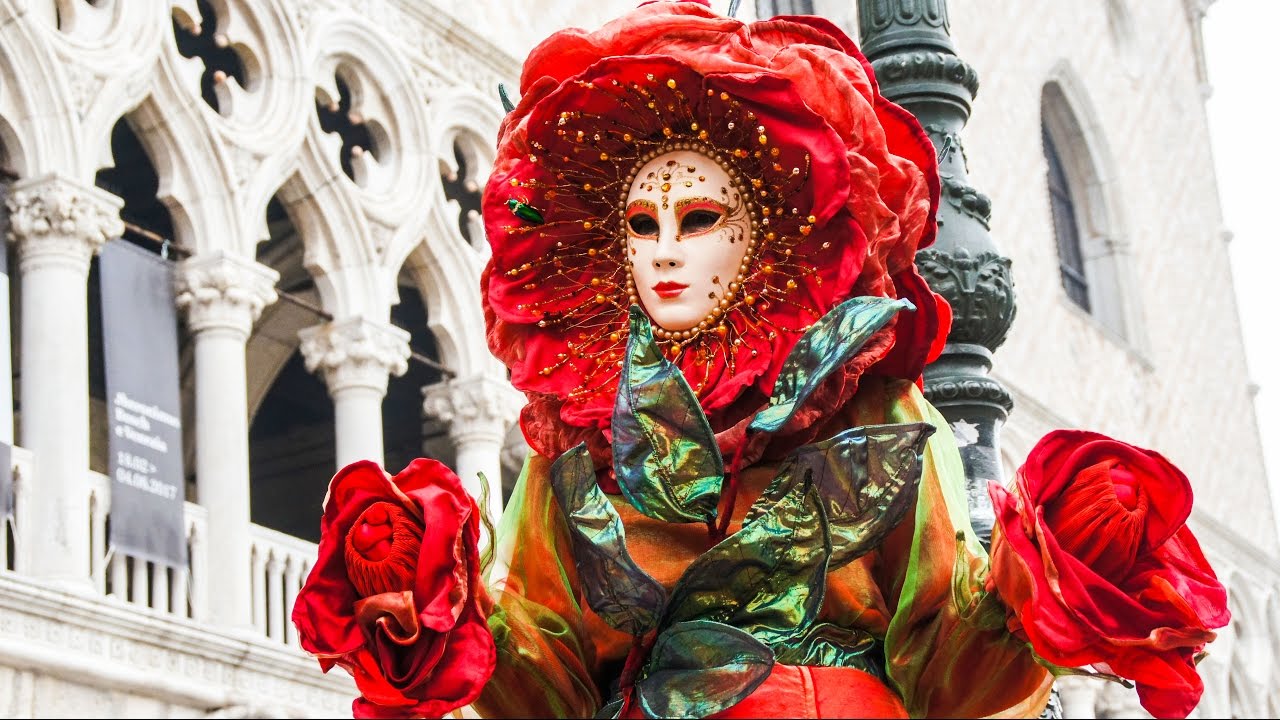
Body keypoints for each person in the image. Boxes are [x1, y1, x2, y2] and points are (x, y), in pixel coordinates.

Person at [291, 3, 1229, 718]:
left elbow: (946, 653)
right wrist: (452, 627)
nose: (664, 250)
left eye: (700, 221)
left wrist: (1040, 606)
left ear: (769, 231)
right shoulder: (575, 450)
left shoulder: (877, 416)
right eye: (641, 226)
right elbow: (553, 672)